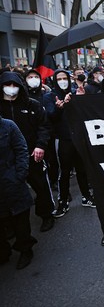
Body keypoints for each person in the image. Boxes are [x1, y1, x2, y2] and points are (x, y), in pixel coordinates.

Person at [0, 72, 55, 232]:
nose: (11, 89)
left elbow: (44, 126)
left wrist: (40, 146)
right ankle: (10, 222)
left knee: (40, 185)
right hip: (7, 159)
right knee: (8, 191)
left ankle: (46, 215)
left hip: (32, 154)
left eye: (14, 85)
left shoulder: (32, 104)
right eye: (7, 85)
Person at [44, 69, 95, 217]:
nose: (62, 81)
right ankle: (63, 202)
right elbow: (51, 117)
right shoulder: (50, 96)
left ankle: (86, 197)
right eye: (59, 79)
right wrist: (60, 108)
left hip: (77, 137)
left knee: (82, 169)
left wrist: (82, 99)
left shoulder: (75, 92)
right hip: (62, 138)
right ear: (55, 80)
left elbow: (85, 113)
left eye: (64, 78)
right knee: (64, 172)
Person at [0, 114, 37, 269]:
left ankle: (25, 249)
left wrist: (19, 175)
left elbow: (21, 149)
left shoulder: (8, 126)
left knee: (20, 218)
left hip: (11, 180)